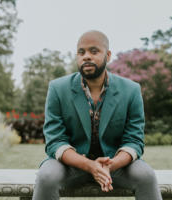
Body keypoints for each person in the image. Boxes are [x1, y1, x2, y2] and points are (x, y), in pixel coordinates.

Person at [32, 30, 162, 200]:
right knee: (46, 176)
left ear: (108, 55)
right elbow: (55, 141)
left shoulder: (131, 90)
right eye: (81, 52)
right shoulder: (58, 88)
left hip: (115, 165)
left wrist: (112, 164)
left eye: (94, 51)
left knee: (146, 175)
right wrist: (89, 165)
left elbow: (134, 140)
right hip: (69, 165)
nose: (86, 56)